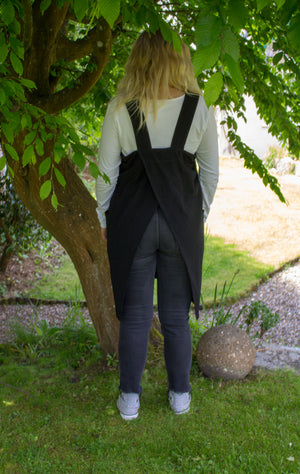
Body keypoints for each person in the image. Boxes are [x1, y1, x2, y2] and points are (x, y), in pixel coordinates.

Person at [96, 30, 219, 420]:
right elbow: (211, 175)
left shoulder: (120, 108)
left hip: (133, 222)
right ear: (179, 58)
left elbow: (105, 174)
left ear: (139, 59)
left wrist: (103, 217)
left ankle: (130, 400)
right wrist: (194, 217)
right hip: (179, 224)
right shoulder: (199, 108)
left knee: (134, 316)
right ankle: (179, 396)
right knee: (174, 316)